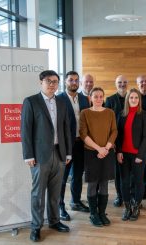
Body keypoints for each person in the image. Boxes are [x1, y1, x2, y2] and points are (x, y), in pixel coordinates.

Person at [21, 70, 71, 242]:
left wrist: (68, 152)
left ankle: (55, 221)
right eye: (49, 81)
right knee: (38, 194)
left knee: (55, 193)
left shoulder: (62, 103)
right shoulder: (31, 102)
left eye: (55, 81)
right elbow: (25, 130)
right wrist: (28, 155)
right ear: (41, 82)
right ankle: (36, 227)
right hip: (39, 156)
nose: (52, 84)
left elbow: (66, 129)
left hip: (59, 154)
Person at [79, 87, 118, 227]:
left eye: (101, 96)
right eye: (95, 96)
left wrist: (106, 148)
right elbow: (83, 134)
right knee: (93, 183)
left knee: (104, 183)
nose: (99, 99)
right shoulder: (85, 113)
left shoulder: (110, 113)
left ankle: (102, 213)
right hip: (91, 152)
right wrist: (98, 149)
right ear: (90, 98)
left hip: (107, 152)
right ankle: (93, 214)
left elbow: (114, 131)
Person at [57, 71, 90, 222]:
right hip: (65, 145)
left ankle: (75, 202)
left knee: (78, 175)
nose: (74, 82)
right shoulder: (58, 99)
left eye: (76, 80)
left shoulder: (84, 99)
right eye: (71, 80)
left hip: (81, 143)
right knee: (63, 178)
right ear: (65, 82)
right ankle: (60, 206)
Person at [116, 88, 146, 221]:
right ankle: (127, 206)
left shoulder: (144, 115)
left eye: (136, 98)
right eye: (131, 98)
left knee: (138, 182)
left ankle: (136, 206)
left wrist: (141, 155)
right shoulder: (122, 114)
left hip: (137, 155)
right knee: (124, 182)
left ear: (139, 100)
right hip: (123, 154)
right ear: (127, 99)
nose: (134, 100)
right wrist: (118, 151)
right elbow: (118, 136)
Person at [105, 74, 129, 207]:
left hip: (130, 140)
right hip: (115, 141)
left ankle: (129, 195)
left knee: (129, 171)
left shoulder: (131, 98)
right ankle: (119, 196)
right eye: (120, 82)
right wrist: (111, 141)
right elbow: (107, 122)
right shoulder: (110, 100)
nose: (122, 84)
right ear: (116, 84)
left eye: (124, 82)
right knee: (118, 171)